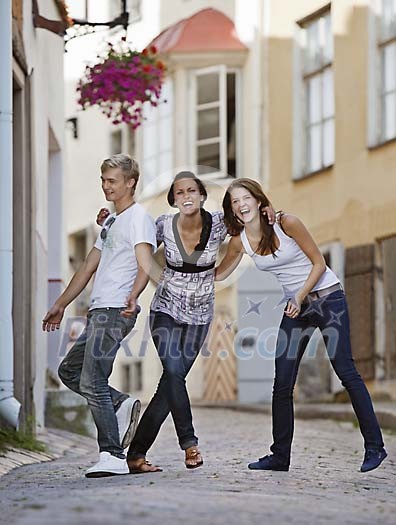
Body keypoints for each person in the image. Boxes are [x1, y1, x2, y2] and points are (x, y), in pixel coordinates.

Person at [97, 171, 275, 473]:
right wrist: (108, 222)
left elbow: (249, 218)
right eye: (179, 192)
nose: (186, 196)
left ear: (202, 195)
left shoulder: (219, 223)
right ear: (174, 200)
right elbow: (132, 239)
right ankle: (189, 443)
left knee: (168, 388)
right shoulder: (163, 226)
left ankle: (136, 455)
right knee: (175, 372)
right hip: (165, 311)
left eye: (192, 190)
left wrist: (271, 212)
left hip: (199, 317)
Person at [215, 178, 387, 473]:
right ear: (231, 210)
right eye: (234, 201)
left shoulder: (286, 222)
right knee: (282, 382)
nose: (241, 204)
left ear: (258, 200)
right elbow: (218, 274)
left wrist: (299, 294)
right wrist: (184, 263)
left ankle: (375, 447)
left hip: (327, 299)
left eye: (246, 198)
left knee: (346, 371)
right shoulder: (239, 242)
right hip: (297, 308)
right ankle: (280, 456)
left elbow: (319, 262)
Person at [42, 154, 157, 478]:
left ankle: (112, 455)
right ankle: (119, 404)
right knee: (70, 371)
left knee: (92, 380)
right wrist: (61, 303)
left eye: (112, 181)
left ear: (130, 182)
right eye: (103, 181)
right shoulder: (110, 222)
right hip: (98, 310)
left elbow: (145, 263)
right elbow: (87, 268)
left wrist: (133, 297)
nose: (106, 186)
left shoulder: (139, 218)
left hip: (116, 310)